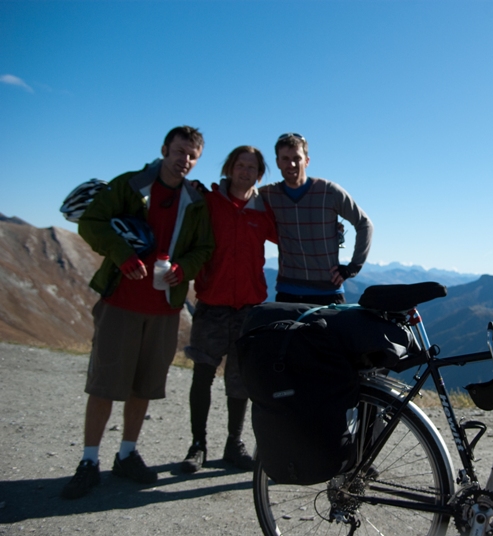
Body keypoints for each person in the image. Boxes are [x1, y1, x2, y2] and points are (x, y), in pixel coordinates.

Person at [61, 126, 214, 500]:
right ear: (164, 149)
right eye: (180, 152)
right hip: (121, 303)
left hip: (164, 308)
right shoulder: (131, 186)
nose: (185, 160)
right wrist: (121, 254)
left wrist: (184, 270)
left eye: (192, 156)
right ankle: (88, 461)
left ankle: (127, 453)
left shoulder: (194, 200)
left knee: (143, 385)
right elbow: (91, 222)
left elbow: (203, 247)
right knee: (104, 385)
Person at [180, 146, 278, 473]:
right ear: (229, 168)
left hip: (249, 307)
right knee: (203, 375)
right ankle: (198, 445)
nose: (245, 171)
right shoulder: (209, 202)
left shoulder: (264, 211)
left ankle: (233, 444)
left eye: (252, 167)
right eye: (240, 165)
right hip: (212, 304)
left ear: (260, 175)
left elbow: (291, 236)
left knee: (239, 381)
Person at [260, 133, 373, 306]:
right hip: (288, 294)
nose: (291, 164)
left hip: (328, 293)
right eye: (285, 158)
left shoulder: (329, 191)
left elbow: (364, 224)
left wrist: (352, 268)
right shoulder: (268, 194)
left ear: (307, 161)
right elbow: (237, 199)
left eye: (297, 158)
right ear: (277, 162)